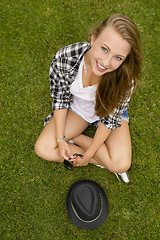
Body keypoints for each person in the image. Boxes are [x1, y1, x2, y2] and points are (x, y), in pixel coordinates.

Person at [35, 14, 142, 183]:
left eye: (118, 58)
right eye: (104, 49)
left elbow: (109, 121)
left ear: (125, 59)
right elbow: (60, 98)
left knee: (121, 164)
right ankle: (97, 156)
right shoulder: (66, 57)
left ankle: (76, 138)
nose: (106, 62)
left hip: (109, 112)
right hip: (80, 111)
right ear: (93, 39)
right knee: (43, 148)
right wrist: (60, 139)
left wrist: (88, 154)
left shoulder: (126, 80)